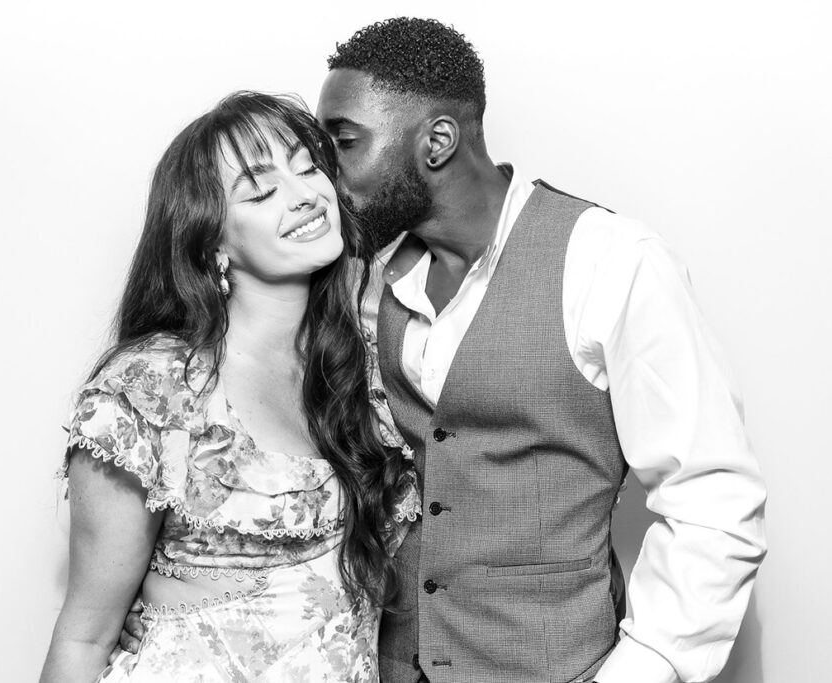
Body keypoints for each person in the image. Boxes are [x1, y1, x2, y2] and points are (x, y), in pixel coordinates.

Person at [313, 18, 768, 683]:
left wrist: (644, 669)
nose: (325, 174)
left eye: (344, 143)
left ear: (436, 141)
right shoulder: (366, 277)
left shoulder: (609, 261)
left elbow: (714, 492)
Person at [40, 91, 419, 682]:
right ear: (211, 239)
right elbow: (85, 634)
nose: (303, 197)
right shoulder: (154, 390)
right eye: (262, 191)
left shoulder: (357, 365)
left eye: (308, 166)